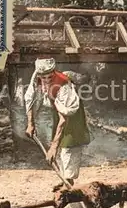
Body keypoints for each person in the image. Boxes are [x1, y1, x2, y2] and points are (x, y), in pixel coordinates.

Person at [24, 58, 91, 191]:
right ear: (39, 75)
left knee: (68, 144)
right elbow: (30, 99)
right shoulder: (37, 77)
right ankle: (65, 179)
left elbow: (64, 119)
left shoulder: (63, 85)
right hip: (57, 108)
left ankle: (70, 182)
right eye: (44, 78)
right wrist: (30, 123)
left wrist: (52, 148)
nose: (47, 80)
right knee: (59, 144)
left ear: (53, 72)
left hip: (71, 113)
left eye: (50, 76)